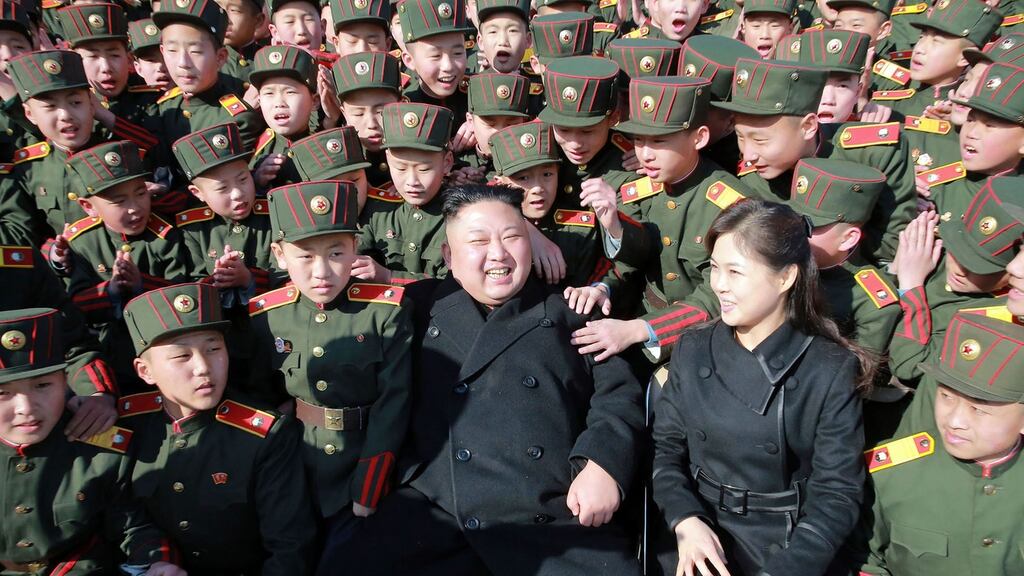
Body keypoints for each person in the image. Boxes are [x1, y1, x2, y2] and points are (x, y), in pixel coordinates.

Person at [322, 184, 645, 575]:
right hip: (435, 515)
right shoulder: (414, 308)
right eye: (478, 241)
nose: (498, 254)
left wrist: (603, 464)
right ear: (449, 255)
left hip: (552, 518)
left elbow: (619, 395)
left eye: (512, 237)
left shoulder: (571, 311)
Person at [652, 199, 870, 576]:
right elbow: (666, 449)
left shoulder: (828, 369)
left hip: (785, 545)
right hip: (695, 533)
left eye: (735, 272)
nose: (719, 285)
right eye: (715, 268)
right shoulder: (693, 348)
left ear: (785, 278)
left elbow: (836, 494)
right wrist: (685, 519)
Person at [120, 282, 318, 574]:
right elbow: (123, 515)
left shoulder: (264, 435)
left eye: (213, 348)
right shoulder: (129, 425)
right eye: (182, 356)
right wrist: (159, 557)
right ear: (145, 371)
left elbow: (291, 547)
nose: (203, 367)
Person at [0, 307, 184, 576]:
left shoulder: (99, 449)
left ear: (65, 382)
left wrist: (158, 562)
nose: (26, 408)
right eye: (3, 392)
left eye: (43, 386)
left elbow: (132, 526)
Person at [854, 312, 1024, 575]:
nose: (954, 420)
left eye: (978, 409)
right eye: (946, 396)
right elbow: (864, 560)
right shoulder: (891, 473)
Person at [248, 44, 320, 191]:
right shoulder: (256, 148)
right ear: (259, 101)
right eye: (269, 93)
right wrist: (257, 181)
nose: (279, 103)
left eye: (290, 92)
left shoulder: (322, 143)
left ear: (314, 101)